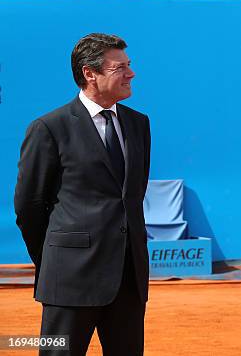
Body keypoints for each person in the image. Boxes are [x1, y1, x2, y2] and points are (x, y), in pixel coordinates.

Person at [14, 33, 151, 355]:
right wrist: (55, 260)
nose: (131, 74)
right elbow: (29, 206)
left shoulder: (139, 124)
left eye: (130, 66)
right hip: (70, 278)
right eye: (121, 68)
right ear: (90, 74)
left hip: (128, 278)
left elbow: (131, 197)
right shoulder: (49, 127)